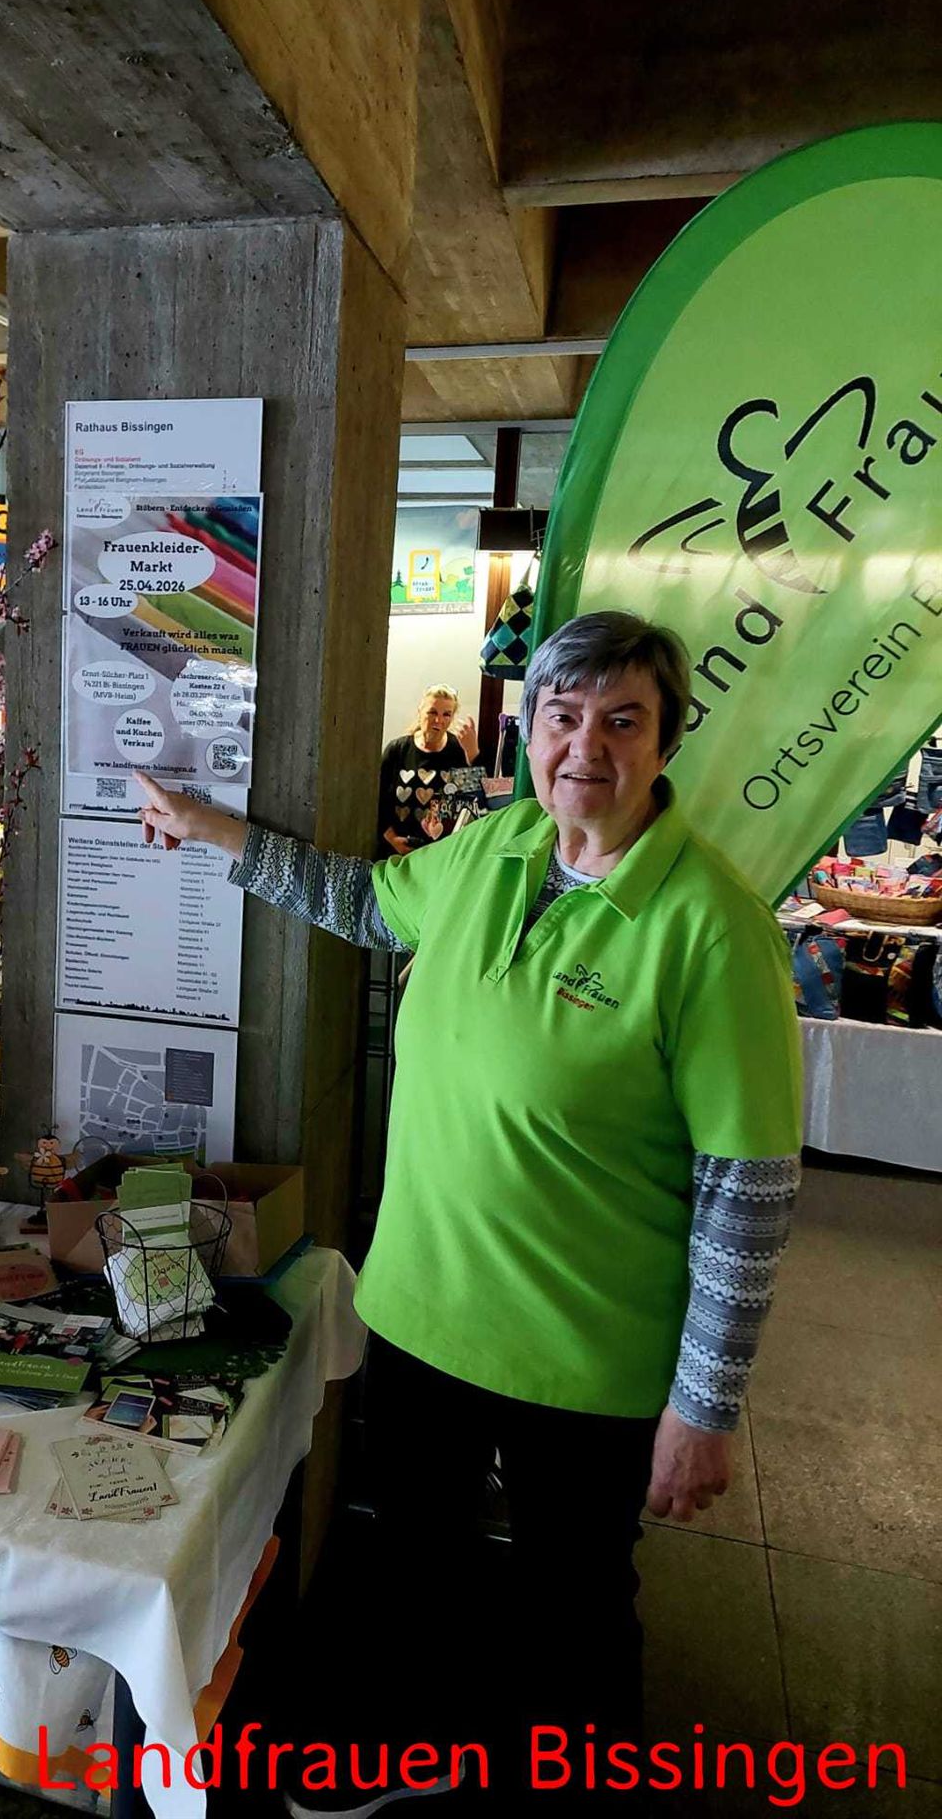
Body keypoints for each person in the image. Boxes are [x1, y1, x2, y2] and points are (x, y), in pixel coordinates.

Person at [136, 610, 803, 1812]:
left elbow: (746, 1193)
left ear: (666, 743)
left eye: (622, 721)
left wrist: (705, 1405)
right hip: (422, 1318)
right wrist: (212, 831)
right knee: (413, 1568)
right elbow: (365, 903)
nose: (585, 746)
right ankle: (413, 1760)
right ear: (527, 730)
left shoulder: (712, 926)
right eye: (563, 715)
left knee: (575, 1614)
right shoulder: (497, 846)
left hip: (585, 1358)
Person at [377, 684, 487, 857]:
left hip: (442, 854)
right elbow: (377, 800)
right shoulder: (397, 750)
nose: (438, 720)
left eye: (446, 714)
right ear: (420, 712)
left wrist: (473, 756)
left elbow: (476, 806)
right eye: (432, 712)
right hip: (397, 852)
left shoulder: (458, 751)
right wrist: (392, 839)